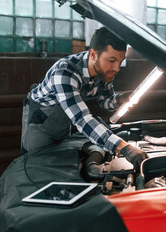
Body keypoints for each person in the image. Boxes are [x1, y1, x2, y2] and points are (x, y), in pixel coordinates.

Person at [21, 27, 148, 174]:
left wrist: (121, 99)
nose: (117, 68)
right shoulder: (65, 73)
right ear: (94, 54)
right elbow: (82, 119)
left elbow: (105, 101)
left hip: (63, 121)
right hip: (41, 123)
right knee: (34, 168)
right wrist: (124, 147)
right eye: (112, 60)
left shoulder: (104, 71)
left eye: (120, 61)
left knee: (56, 165)